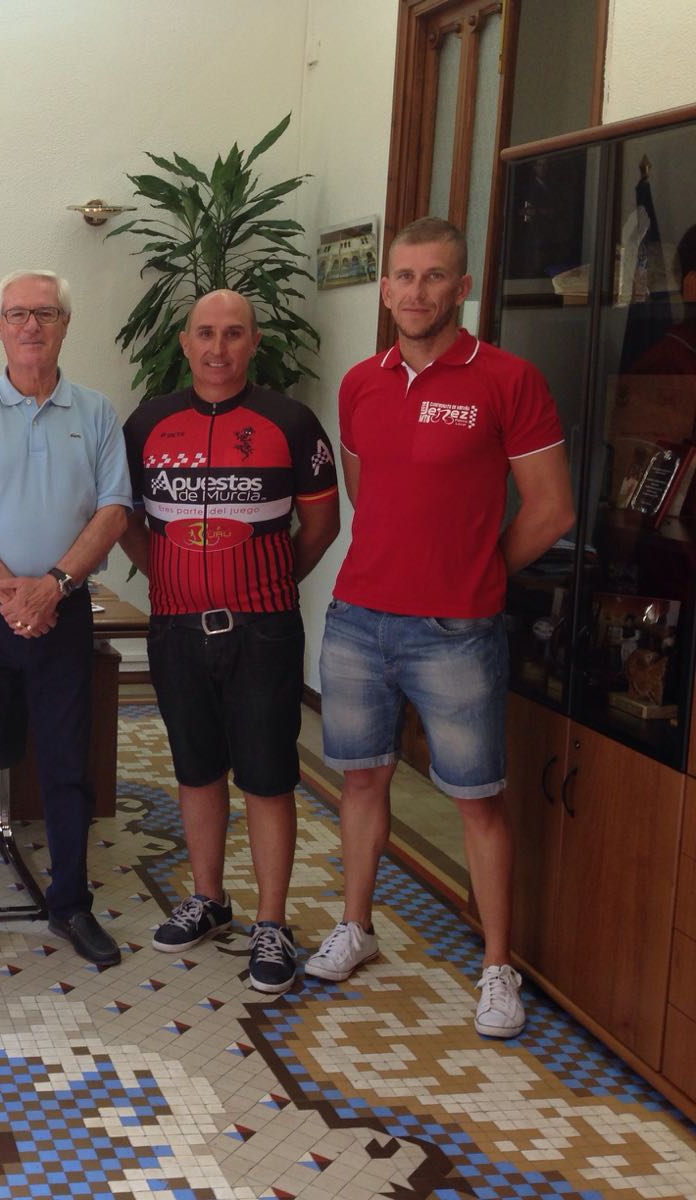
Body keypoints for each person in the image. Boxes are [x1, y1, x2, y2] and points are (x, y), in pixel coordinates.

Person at [310, 218, 575, 1037]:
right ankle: (357, 927)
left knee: (477, 801)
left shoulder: (508, 379)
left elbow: (553, 509)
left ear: (462, 288)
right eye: (402, 277)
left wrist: (480, 571)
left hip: (456, 630)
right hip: (358, 618)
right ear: (385, 287)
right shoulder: (360, 383)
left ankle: (499, 968)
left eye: (434, 277)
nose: (415, 292)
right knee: (361, 780)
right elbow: (368, 495)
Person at [119, 290, 339, 995]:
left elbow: (322, 526)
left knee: (269, 777)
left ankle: (271, 923)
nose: (218, 348)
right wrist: (172, 582)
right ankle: (208, 899)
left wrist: (268, 584)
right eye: (205, 334)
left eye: (234, 334)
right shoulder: (147, 424)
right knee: (195, 769)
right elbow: (123, 518)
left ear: (253, 342)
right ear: (184, 343)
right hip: (176, 626)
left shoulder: (293, 423)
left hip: (264, 628)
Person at [0, 269, 131, 971]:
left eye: (44, 313)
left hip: (65, 611)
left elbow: (113, 510)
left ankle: (71, 903)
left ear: (65, 324)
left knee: (70, 766)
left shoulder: (97, 412)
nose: (31, 326)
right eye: (17, 314)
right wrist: (10, 591)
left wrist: (52, 587)